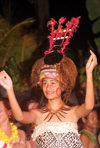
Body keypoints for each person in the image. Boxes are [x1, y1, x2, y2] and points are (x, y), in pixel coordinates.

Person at [0, 16, 97, 148]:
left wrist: (89, 73)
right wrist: (10, 89)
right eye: (45, 83)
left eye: (53, 83)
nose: (48, 87)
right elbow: (20, 117)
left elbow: (89, 106)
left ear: (63, 86)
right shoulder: (38, 115)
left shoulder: (72, 112)